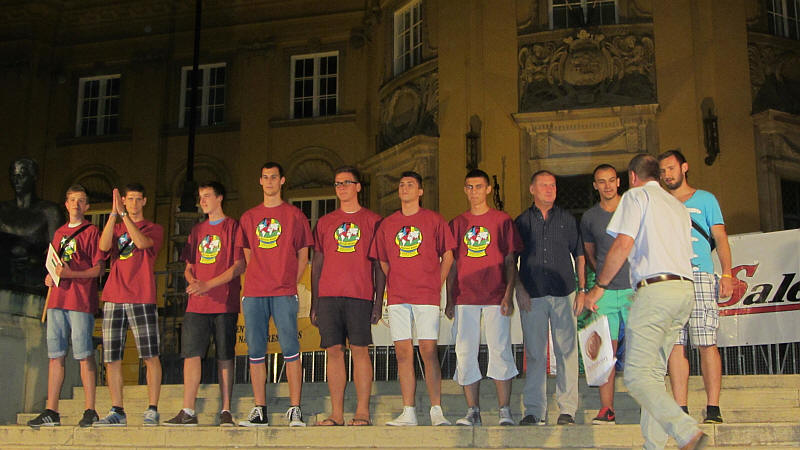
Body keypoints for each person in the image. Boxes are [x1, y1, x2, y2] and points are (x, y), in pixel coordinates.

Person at [585, 154, 708, 450]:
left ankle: (686, 431)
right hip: (684, 290)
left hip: (655, 290)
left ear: (632, 177)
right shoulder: (676, 205)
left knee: (637, 376)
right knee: (652, 373)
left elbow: (622, 244)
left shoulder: (636, 196)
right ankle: (654, 445)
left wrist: (599, 286)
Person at [370, 171, 456, 426]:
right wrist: (397, 279)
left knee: (428, 350)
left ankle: (436, 409)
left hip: (426, 296)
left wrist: (436, 283)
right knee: (402, 352)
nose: (405, 188)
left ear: (420, 191)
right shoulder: (388, 224)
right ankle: (408, 410)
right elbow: (383, 260)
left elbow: (448, 256)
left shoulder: (434, 220)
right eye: (401, 185)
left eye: (410, 185)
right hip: (398, 297)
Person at [659, 149, 732, 424]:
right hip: (670, 279)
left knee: (706, 341)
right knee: (675, 344)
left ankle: (713, 407)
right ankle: (681, 407)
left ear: (684, 167)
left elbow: (720, 237)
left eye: (671, 168)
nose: (667, 174)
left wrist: (727, 274)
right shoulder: (660, 203)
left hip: (700, 275)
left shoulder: (706, 199)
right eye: (663, 171)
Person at [237, 162, 313, 427]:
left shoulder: (294, 215)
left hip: (283, 291)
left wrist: (290, 282)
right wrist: (260, 277)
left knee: (290, 348)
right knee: (255, 350)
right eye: (265, 177)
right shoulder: (249, 217)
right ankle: (260, 409)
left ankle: (295, 408)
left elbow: (303, 253)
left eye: (273, 177)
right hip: (255, 292)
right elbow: (248, 254)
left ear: (282, 181)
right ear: (260, 181)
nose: (269, 181)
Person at [164, 182, 245, 427]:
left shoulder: (232, 226)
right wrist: (193, 282)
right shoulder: (197, 230)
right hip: (197, 304)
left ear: (220, 198)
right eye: (201, 197)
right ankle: (188, 410)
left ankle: (226, 409)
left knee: (224, 355)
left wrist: (208, 284)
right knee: (191, 354)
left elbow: (239, 265)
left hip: (223, 302)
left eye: (207, 196)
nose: (203, 201)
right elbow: (188, 266)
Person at [445, 169, 521, 426]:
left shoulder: (502, 220)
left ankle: (504, 410)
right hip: (465, 296)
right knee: (465, 351)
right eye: (469, 187)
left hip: (495, 294)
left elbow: (510, 261)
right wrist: (450, 299)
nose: (474, 191)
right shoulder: (457, 223)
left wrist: (508, 294)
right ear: (464, 190)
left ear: (488, 189)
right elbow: (452, 265)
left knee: (500, 349)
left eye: (479, 186)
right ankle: (473, 411)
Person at [310, 166, 385, 426]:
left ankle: (362, 412)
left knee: (360, 350)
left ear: (358, 187)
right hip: (329, 296)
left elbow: (379, 265)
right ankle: (337, 414)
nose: (341, 187)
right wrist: (315, 302)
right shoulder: (325, 222)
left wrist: (378, 301)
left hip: (360, 295)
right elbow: (317, 263)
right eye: (337, 183)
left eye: (346, 182)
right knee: (333, 351)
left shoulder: (373, 221)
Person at [27, 184, 102, 428]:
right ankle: (52, 409)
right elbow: (56, 264)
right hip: (57, 298)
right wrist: (50, 276)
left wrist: (71, 274)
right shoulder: (59, 233)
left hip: (80, 300)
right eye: (72, 200)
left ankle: (90, 408)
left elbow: (98, 269)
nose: (76, 204)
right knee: (55, 355)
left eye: (81, 200)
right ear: (66, 204)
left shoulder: (92, 232)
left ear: (87, 206)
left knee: (84, 354)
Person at [515, 170, 586, 426]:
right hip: (532, 294)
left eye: (553, 185)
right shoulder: (521, 222)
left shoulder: (567, 219)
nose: (549, 189)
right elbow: (511, 260)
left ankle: (567, 409)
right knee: (535, 353)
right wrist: (519, 290)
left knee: (567, 351)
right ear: (532, 189)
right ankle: (534, 411)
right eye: (544, 185)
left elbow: (579, 254)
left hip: (564, 293)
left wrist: (582, 289)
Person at [94, 183, 164, 426]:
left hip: (142, 295)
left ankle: (152, 408)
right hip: (114, 296)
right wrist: (113, 215)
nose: (133, 203)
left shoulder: (153, 228)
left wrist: (124, 215)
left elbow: (142, 243)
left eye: (137, 199)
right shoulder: (116, 227)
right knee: (112, 357)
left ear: (144, 201)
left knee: (150, 354)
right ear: (123, 199)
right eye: (129, 199)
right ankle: (117, 409)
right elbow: (103, 247)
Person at [579, 164, 633, 425]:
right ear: (595, 186)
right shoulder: (589, 217)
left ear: (619, 182)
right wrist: (602, 278)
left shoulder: (633, 209)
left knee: (642, 348)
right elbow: (590, 254)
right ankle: (606, 408)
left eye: (611, 180)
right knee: (605, 352)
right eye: (602, 181)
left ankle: (650, 405)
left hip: (634, 289)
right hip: (606, 292)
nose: (608, 186)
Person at [0, 158, 63, 290]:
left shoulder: (50, 211)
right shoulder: (3, 210)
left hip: (35, 285)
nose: (16, 180)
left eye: (21, 175)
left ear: (34, 177)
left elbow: (57, 253)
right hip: (5, 282)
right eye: (13, 175)